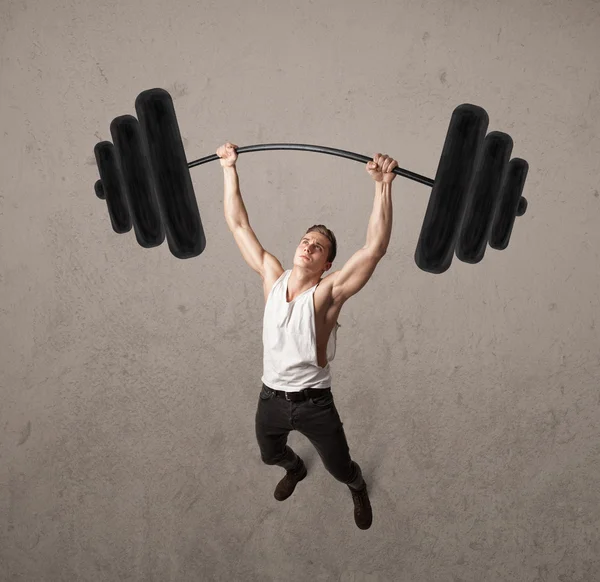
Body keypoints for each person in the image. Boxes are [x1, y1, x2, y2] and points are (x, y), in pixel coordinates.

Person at [217, 142, 398, 530]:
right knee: (269, 455)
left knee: (340, 467)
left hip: (315, 404)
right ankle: (295, 468)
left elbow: (374, 249)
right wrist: (229, 168)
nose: (308, 246)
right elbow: (237, 224)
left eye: (318, 247)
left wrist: (383, 186)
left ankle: (358, 485)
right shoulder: (271, 276)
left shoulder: (326, 296)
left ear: (326, 264)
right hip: (270, 397)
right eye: (306, 240)